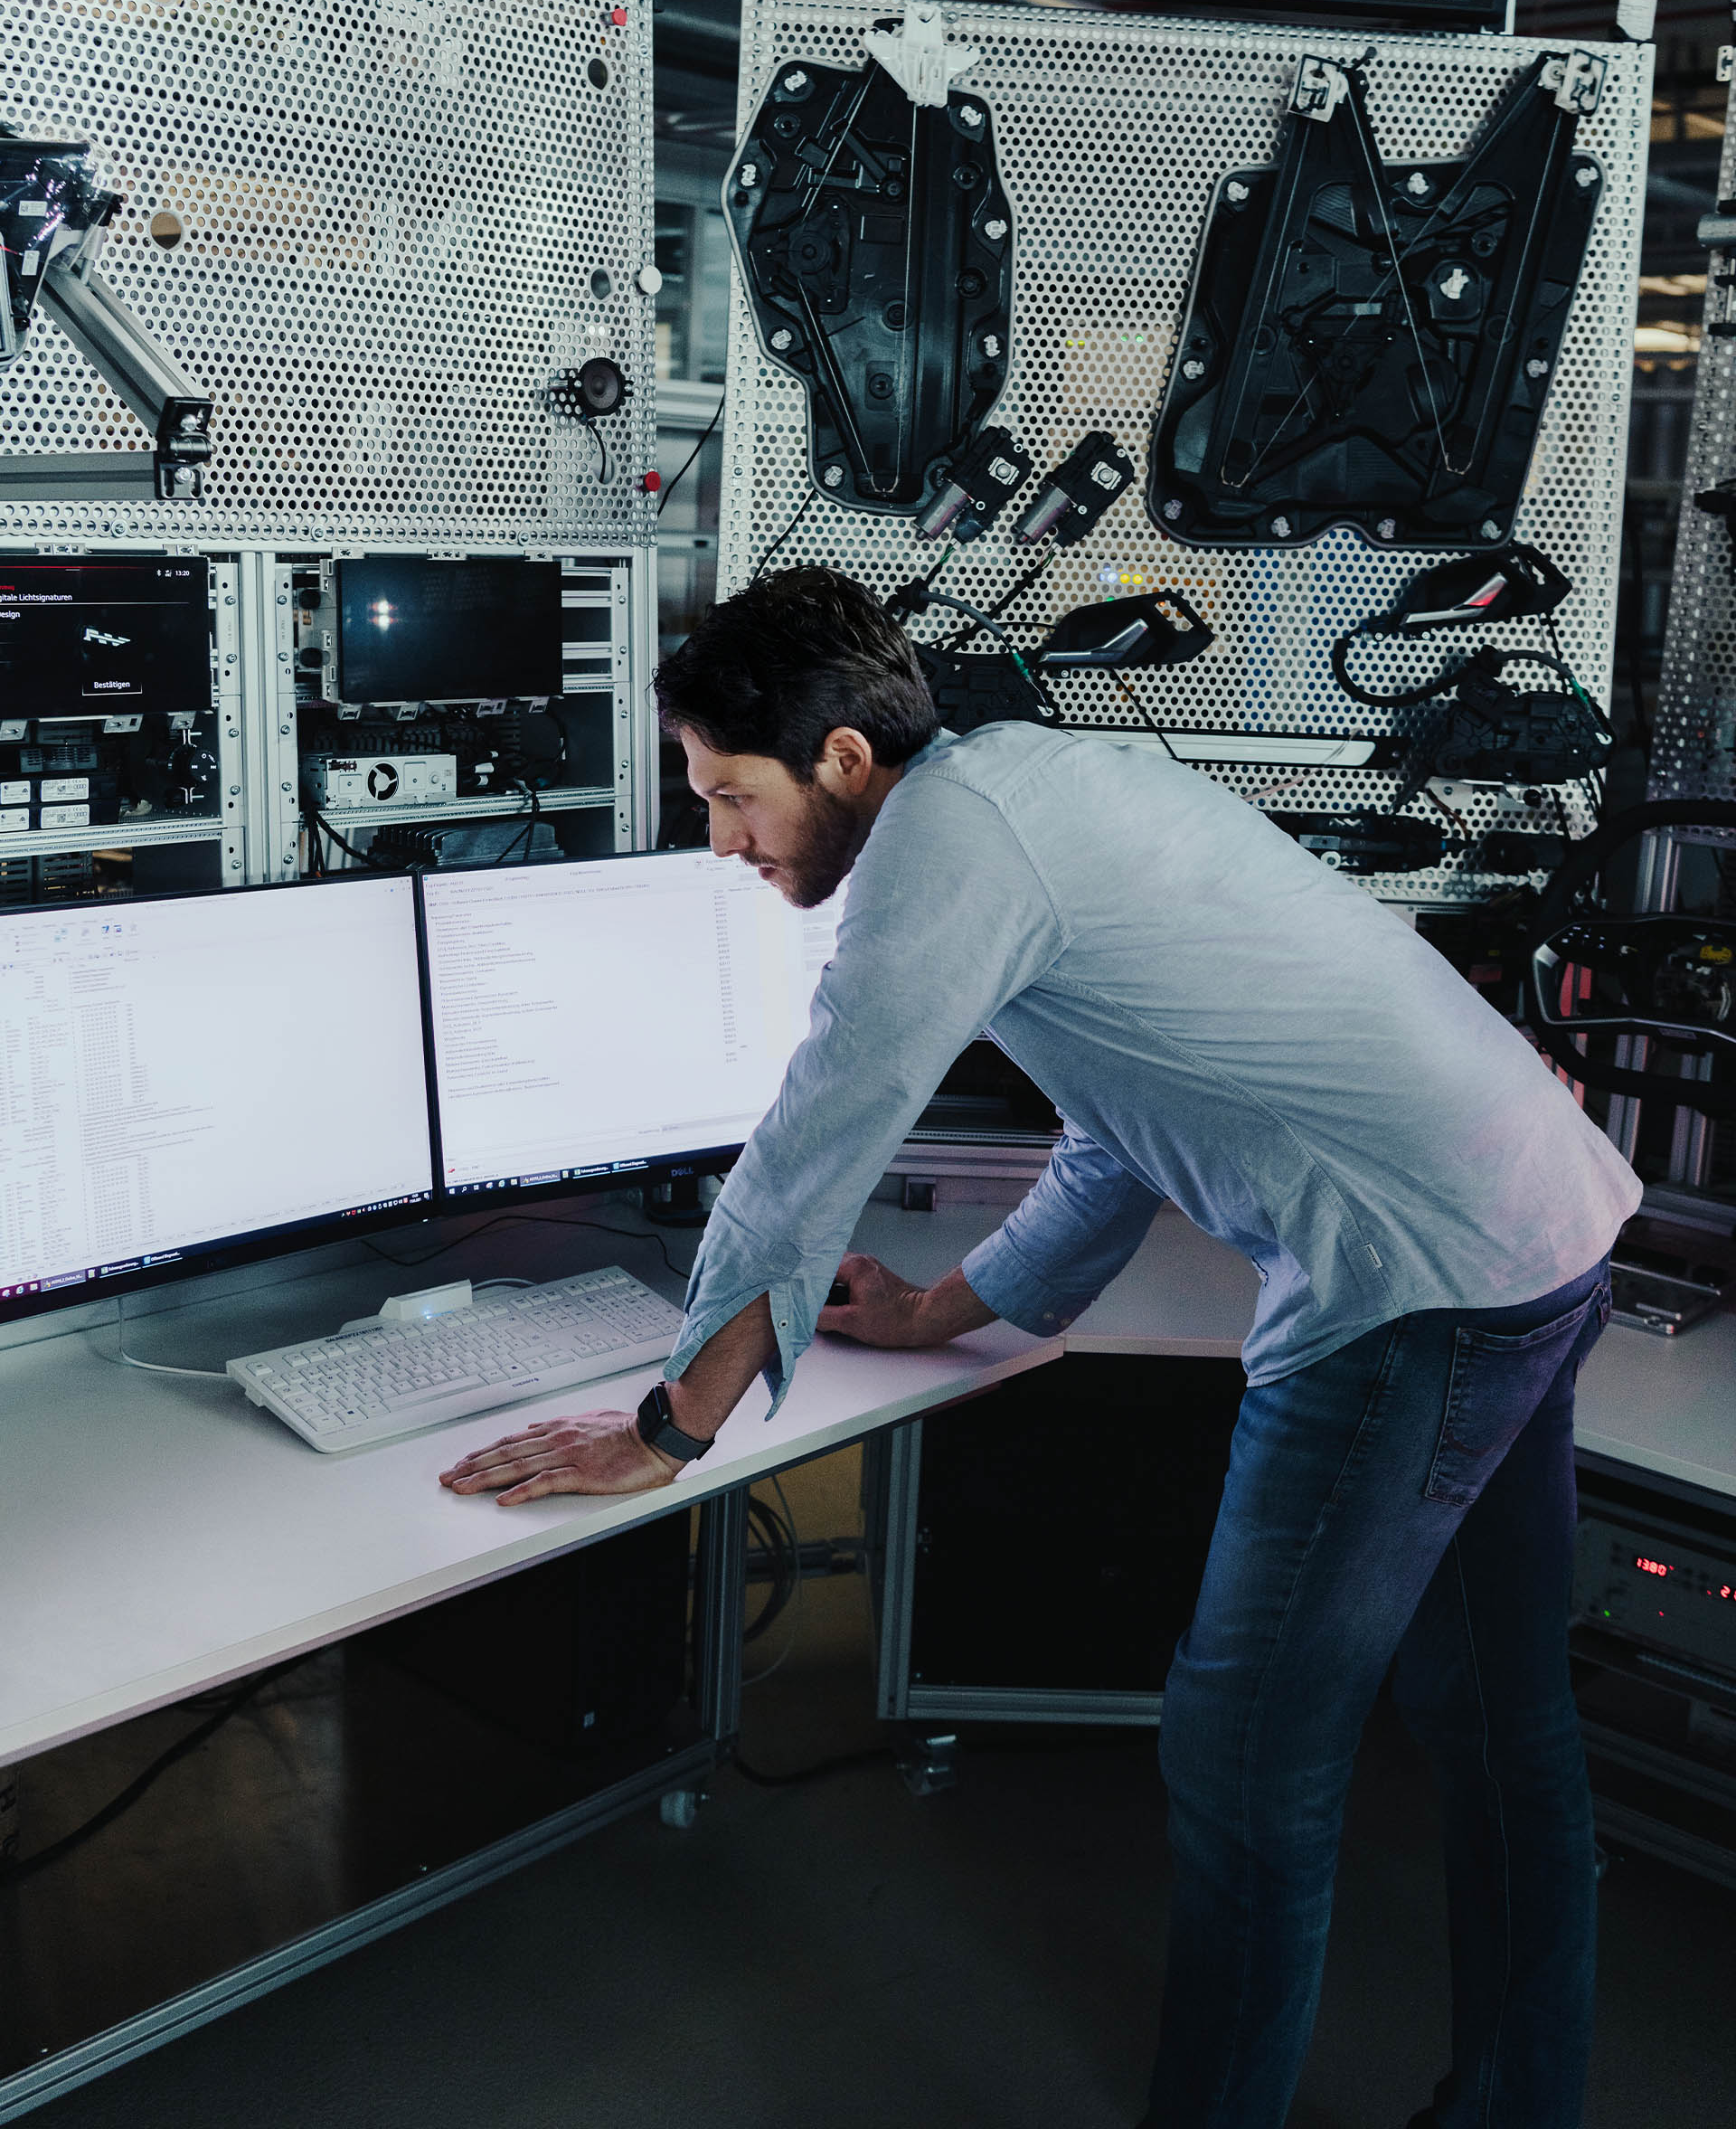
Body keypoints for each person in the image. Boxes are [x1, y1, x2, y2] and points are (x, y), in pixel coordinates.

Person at [439, 565, 1638, 2129]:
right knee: (1499, 1723)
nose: (722, 842)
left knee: (1248, 1750)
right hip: (1544, 1237)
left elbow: (811, 1150)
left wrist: (663, 1434)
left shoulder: (943, 849)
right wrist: (943, 1310)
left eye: (734, 800)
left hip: (1416, 1294)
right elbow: (1121, 1125)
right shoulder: (1041, 783)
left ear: (846, 763)